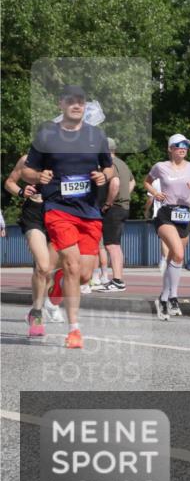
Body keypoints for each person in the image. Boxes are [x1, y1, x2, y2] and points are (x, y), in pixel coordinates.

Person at [21, 84, 113, 348]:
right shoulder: (47, 135)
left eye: (81, 101)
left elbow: (109, 170)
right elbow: (27, 171)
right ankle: (74, 329)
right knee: (70, 263)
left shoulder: (96, 135)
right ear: (61, 104)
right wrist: (38, 176)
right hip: (58, 208)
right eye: (71, 101)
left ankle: (53, 287)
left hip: (89, 211)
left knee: (84, 274)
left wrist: (102, 175)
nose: (77, 105)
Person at [144, 134, 190, 320]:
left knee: (175, 257)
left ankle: (163, 299)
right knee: (178, 253)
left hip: (184, 215)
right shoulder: (160, 167)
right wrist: (155, 193)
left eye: (186, 146)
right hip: (165, 214)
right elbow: (146, 181)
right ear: (170, 148)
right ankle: (173, 297)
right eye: (178, 145)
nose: (183, 148)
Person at [5, 154, 58, 329]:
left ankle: (41, 305)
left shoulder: (66, 159)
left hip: (59, 216)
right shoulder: (27, 160)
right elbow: (9, 182)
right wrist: (21, 191)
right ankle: (36, 313)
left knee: (49, 271)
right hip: (34, 214)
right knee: (42, 266)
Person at [94, 137, 133, 292]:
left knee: (111, 245)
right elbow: (132, 182)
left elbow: (115, 183)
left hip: (113, 208)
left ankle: (117, 280)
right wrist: (125, 196)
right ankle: (117, 279)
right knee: (115, 244)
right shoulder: (122, 164)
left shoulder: (108, 165)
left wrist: (108, 203)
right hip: (123, 206)